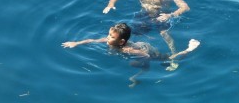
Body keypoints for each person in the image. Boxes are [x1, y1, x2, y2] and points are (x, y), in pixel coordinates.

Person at [62, 23, 200, 87]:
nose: (107, 38)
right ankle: (137, 76)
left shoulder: (126, 50)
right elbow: (91, 40)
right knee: (137, 64)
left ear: (121, 41)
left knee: (169, 58)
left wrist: (142, 63)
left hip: (146, 51)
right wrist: (76, 43)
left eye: (111, 37)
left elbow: (145, 55)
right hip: (140, 46)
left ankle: (189, 49)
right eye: (109, 35)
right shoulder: (109, 40)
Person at [102, 0, 190, 58]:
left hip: (161, 17)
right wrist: (111, 4)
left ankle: (174, 56)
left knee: (165, 34)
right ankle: (129, 51)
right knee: (132, 34)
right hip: (144, 16)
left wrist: (171, 15)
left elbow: (185, 7)